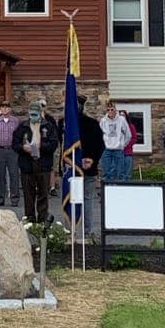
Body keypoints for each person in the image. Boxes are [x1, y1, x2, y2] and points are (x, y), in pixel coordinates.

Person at [59, 94, 105, 238]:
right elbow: (62, 146)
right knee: (69, 198)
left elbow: (100, 145)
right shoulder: (63, 123)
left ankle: (88, 232)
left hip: (88, 169)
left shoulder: (92, 124)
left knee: (87, 200)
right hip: (70, 168)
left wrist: (92, 159)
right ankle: (69, 231)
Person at [12, 101, 58, 223]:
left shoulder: (48, 126)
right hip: (27, 163)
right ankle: (30, 219)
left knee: (43, 193)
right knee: (28, 193)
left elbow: (54, 144)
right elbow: (15, 143)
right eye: (31, 114)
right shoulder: (23, 127)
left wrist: (41, 146)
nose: (33, 116)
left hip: (43, 163)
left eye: (35, 114)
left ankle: (42, 220)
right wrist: (23, 148)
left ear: (40, 113)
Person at [0, 100, 20, 207]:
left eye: (7, 107)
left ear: (10, 109)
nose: (5, 109)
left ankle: (14, 199)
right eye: (3, 107)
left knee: (14, 174)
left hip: (12, 150)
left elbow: (19, 136)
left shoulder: (16, 121)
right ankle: (0, 199)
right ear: (0, 109)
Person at [99, 101, 131, 181]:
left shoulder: (121, 120)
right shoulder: (103, 121)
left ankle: (121, 187)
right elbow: (99, 134)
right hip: (106, 149)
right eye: (108, 110)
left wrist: (122, 145)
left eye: (112, 109)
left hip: (118, 149)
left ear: (115, 110)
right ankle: (106, 187)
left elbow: (128, 135)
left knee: (120, 173)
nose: (110, 111)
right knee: (106, 173)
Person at [39, 98, 60, 197]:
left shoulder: (50, 119)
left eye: (43, 106)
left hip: (48, 145)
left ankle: (52, 187)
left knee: (51, 167)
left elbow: (54, 132)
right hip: (38, 146)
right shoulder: (34, 118)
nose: (41, 108)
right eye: (40, 106)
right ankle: (39, 186)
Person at [119, 110, 137, 180]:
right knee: (120, 174)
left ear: (126, 116)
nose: (122, 117)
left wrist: (126, 145)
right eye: (120, 115)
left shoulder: (131, 126)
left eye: (123, 115)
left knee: (127, 174)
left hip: (127, 153)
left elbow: (134, 138)